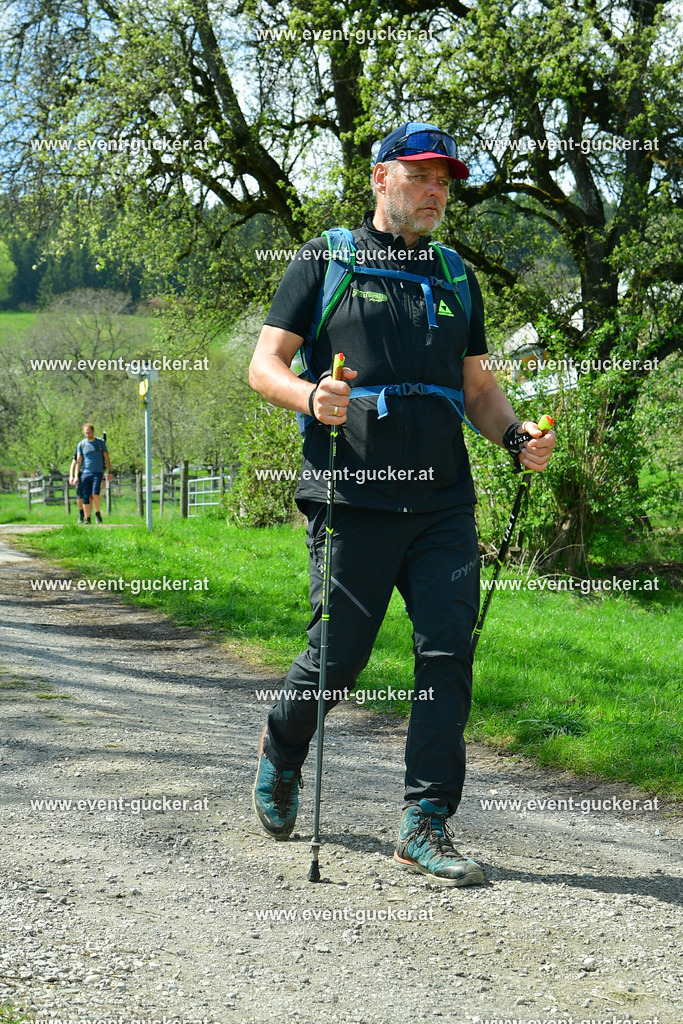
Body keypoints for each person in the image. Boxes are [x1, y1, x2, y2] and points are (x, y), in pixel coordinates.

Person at [248, 121, 556, 886]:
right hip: (351, 496)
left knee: (446, 654)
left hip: (443, 504)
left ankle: (425, 821)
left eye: (443, 182)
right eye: (420, 176)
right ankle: (282, 743)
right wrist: (309, 396)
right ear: (380, 178)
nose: (434, 193)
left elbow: (476, 386)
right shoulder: (326, 258)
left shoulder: (454, 276)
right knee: (339, 660)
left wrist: (514, 434)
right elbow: (265, 365)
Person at [75, 423, 112, 525]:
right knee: (85, 496)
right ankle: (87, 518)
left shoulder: (100, 443)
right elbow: (79, 460)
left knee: (95, 493)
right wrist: (76, 475)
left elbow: (106, 458)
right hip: (85, 473)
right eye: (86, 433)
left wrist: (110, 471)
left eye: (89, 433)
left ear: (93, 431)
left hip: (97, 473)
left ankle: (97, 512)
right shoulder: (81, 444)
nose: (88, 435)